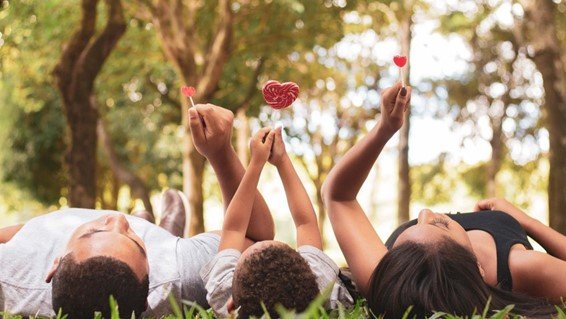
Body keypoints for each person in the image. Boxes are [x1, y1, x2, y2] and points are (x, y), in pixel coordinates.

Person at [0, 104, 275, 318]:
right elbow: (257, 237)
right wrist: (220, 153)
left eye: (95, 231)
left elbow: (22, 234)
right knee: (153, 231)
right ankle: (162, 229)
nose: (117, 218)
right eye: (135, 241)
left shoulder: (11, 272)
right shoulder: (176, 276)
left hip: (32, 241)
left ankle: (148, 223)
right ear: (148, 298)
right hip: (170, 250)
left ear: (54, 264)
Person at [322, 82, 566, 318]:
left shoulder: (387, 281)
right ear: (477, 269)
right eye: (440, 224)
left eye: (397, 248)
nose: (425, 212)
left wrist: (385, 128)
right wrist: (527, 221)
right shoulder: (523, 267)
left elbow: (338, 196)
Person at [200, 127, 353, 318]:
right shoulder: (321, 286)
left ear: (231, 307)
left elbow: (233, 228)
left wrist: (256, 163)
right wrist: (282, 160)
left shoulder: (226, 294)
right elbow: (305, 223)